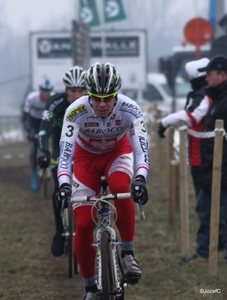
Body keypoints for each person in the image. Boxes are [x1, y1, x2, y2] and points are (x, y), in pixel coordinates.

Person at [56, 62, 150, 300]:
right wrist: (64, 184)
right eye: (96, 98)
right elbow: (65, 155)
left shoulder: (131, 109)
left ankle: (128, 254)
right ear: (88, 94)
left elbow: (141, 151)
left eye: (108, 98)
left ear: (116, 94)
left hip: (117, 153)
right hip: (85, 160)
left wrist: (140, 179)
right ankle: (89, 288)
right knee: (85, 224)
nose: (102, 103)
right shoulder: (75, 111)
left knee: (120, 187)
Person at [179, 55, 227, 263]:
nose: (206, 79)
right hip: (210, 167)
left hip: (223, 168)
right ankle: (203, 252)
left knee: (222, 214)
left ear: (222, 75)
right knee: (203, 208)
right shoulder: (214, 98)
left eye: (209, 75)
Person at [37, 66, 87, 257]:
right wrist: (44, 153)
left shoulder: (91, 103)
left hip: (83, 143)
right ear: (66, 90)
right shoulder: (54, 103)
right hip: (60, 142)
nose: (76, 95)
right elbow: (43, 131)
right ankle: (59, 233)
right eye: (72, 91)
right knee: (59, 188)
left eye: (81, 91)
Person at [157, 57, 210, 198]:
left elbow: (190, 117)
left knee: (205, 201)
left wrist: (165, 122)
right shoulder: (204, 93)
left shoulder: (203, 95)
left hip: (203, 153)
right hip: (200, 152)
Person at [22, 78, 54, 192]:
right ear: (39, 91)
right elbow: (25, 117)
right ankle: (34, 174)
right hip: (33, 124)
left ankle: (51, 169)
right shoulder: (32, 98)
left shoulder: (53, 98)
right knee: (34, 149)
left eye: (48, 93)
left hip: (45, 122)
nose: (46, 95)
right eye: (43, 92)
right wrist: (28, 130)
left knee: (50, 145)